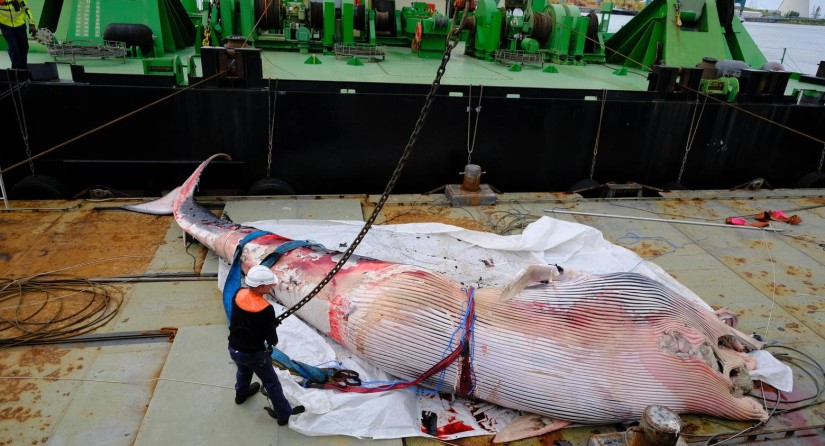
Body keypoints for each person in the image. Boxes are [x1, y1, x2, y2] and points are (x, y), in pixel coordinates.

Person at [228, 264, 305, 426]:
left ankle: (240, 395)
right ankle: (284, 414)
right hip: (254, 354)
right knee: (271, 383)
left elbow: (245, 320)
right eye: (269, 284)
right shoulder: (265, 309)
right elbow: (271, 339)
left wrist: (268, 323)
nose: (272, 286)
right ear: (260, 287)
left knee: (243, 371)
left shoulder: (239, 293)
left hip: (234, 347)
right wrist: (271, 326)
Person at [0, 0, 36, 70]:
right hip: (5, 26)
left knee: (24, 47)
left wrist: (32, 24)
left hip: (20, 25)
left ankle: (23, 68)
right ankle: (16, 70)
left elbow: (26, 9)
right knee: (13, 47)